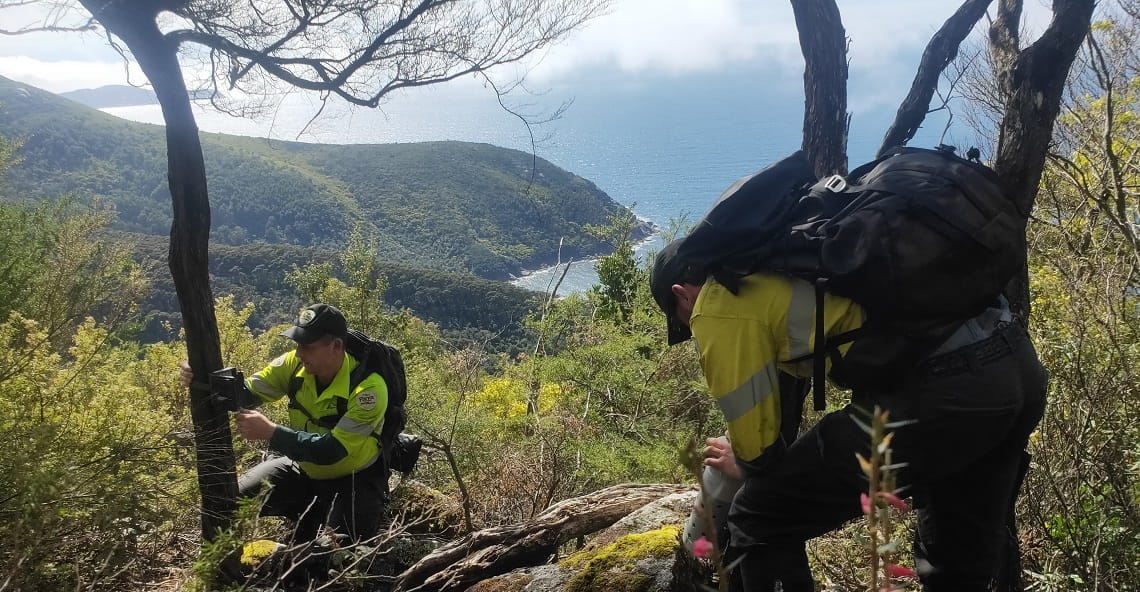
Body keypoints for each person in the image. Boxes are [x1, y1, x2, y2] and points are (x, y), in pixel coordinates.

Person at [650, 238, 1047, 592]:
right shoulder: (774, 266)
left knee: (759, 516)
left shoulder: (715, 304)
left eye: (681, 322)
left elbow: (758, 451)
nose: (690, 329)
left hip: (942, 390)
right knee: (957, 566)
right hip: (1013, 364)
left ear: (681, 295)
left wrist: (750, 462)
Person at [180, 303, 389, 543]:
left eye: (307, 346)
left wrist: (271, 433)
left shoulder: (369, 390)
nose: (299, 353)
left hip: (353, 481)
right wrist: (200, 375)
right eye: (298, 344)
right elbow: (244, 394)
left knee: (333, 558)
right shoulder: (295, 365)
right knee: (228, 504)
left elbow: (333, 450)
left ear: (336, 346)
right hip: (303, 470)